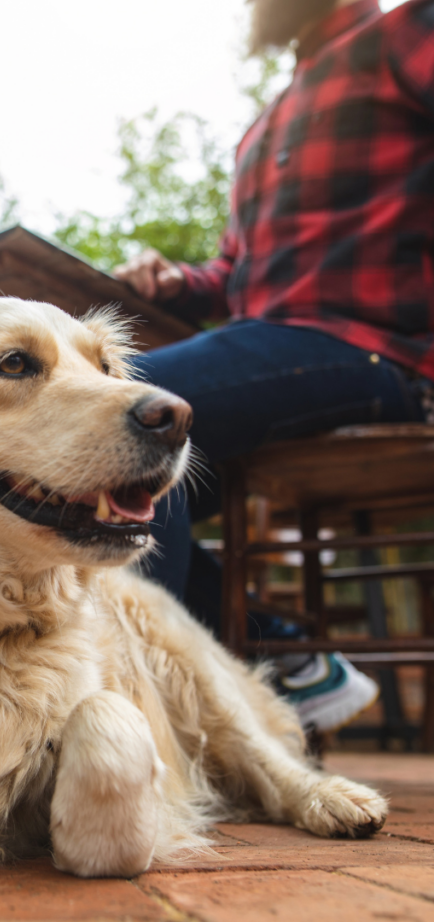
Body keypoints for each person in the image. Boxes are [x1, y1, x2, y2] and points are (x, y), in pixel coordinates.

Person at [115, 0, 434, 734]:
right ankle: (283, 659)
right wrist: (174, 282)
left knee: (126, 410)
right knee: (107, 476)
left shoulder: (404, 34)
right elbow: (233, 276)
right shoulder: (265, 125)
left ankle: (145, 720)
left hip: (374, 350)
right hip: (277, 348)